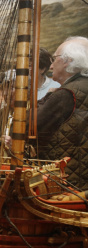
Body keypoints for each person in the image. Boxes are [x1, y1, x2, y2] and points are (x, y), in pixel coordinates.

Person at [34, 36, 88, 189]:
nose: (51, 66)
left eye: (55, 59)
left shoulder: (66, 94)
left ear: (67, 61)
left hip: (69, 182)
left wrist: (47, 99)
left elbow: (31, 127)